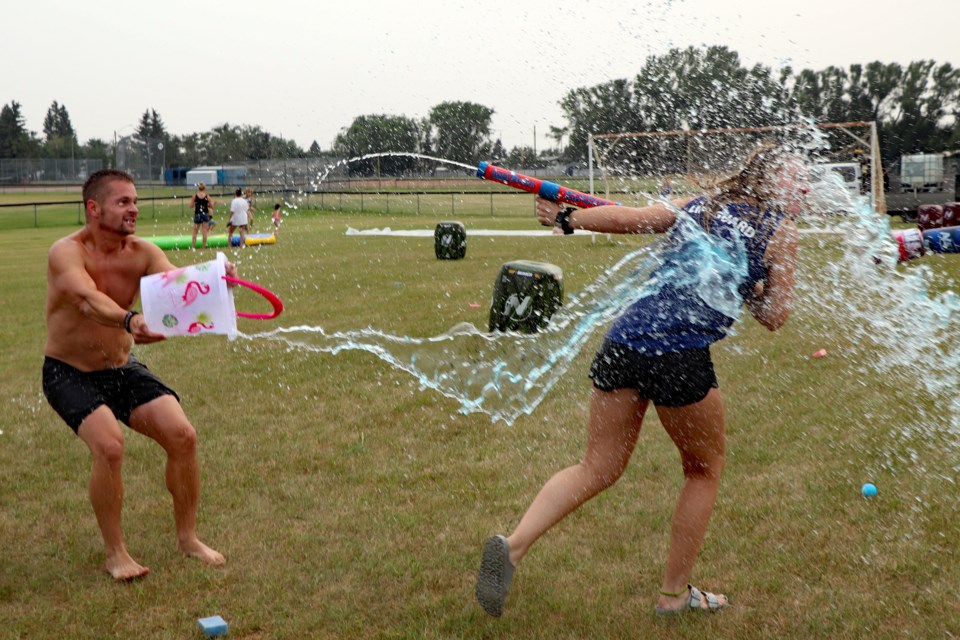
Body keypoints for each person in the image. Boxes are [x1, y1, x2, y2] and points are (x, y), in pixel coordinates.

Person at [475, 145, 807, 617]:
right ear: (769, 181)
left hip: (624, 341)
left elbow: (632, 218)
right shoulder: (782, 231)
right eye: (798, 178)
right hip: (679, 355)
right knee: (703, 470)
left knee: (596, 467)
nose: (807, 186)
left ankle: (514, 546)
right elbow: (776, 315)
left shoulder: (702, 206)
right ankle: (673, 596)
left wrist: (568, 219)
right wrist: (751, 288)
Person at [42, 169, 234, 580]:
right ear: (94, 209)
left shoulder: (143, 252)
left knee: (183, 436)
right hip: (69, 372)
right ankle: (116, 553)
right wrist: (130, 321)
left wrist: (215, 283)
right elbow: (87, 299)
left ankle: (187, 538)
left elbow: (177, 291)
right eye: (123, 202)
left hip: (120, 368)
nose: (134, 210)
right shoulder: (66, 252)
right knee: (109, 447)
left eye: (135, 202)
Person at [189, 182, 215, 249]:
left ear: (198, 188)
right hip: (205, 214)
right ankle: (203, 247)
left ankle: (193, 247)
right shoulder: (207, 196)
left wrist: (196, 204)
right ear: (204, 188)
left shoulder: (195, 196)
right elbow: (211, 206)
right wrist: (206, 205)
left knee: (195, 231)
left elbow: (190, 206)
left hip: (197, 214)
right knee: (204, 231)